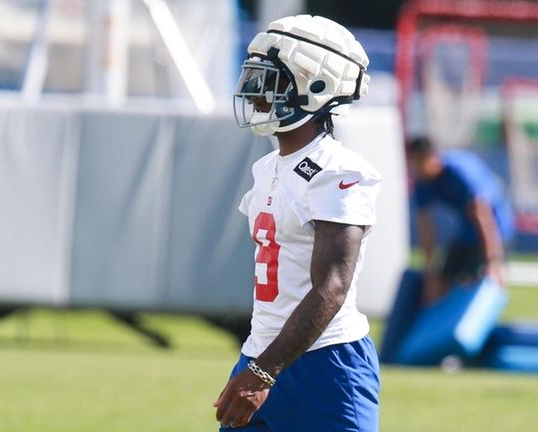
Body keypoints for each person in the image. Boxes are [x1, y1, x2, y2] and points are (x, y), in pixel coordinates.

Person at [213, 15, 381, 431]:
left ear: (314, 86)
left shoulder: (338, 171)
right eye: (252, 77)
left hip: (327, 363)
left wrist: (264, 372)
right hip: (261, 353)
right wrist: (257, 363)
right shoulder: (268, 166)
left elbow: (332, 288)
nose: (254, 92)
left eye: (268, 80)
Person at [406, 136, 515, 306]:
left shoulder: (460, 172)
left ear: (431, 158)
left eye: (418, 163)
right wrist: (430, 271)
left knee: (479, 282)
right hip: (468, 231)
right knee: (441, 282)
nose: (415, 169)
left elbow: (483, 216)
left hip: (495, 229)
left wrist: (493, 261)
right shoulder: (422, 183)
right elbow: (425, 228)